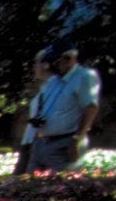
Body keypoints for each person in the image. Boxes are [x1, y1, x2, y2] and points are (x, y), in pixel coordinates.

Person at [34, 40, 102, 172]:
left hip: (65, 142)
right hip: (43, 142)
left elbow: (90, 108)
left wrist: (77, 139)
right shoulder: (54, 80)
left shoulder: (84, 76)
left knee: (60, 186)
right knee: (30, 187)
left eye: (55, 61)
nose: (51, 66)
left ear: (69, 59)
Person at [15, 52, 54, 175]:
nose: (34, 67)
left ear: (46, 65)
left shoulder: (53, 89)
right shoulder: (44, 88)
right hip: (30, 140)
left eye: (36, 63)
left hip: (38, 141)